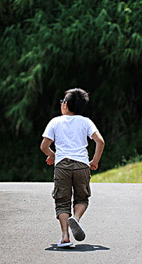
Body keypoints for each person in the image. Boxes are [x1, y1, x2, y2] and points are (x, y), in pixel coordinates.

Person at [40, 88, 105, 248]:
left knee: (62, 201)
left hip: (62, 166)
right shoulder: (86, 122)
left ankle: (65, 237)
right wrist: (95, 161)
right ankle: (75, 219)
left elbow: (44, 146)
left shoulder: (55, 122)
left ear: (65, 105)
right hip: (82, 165)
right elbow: (100, 142)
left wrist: (53, 155)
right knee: (82, 198)